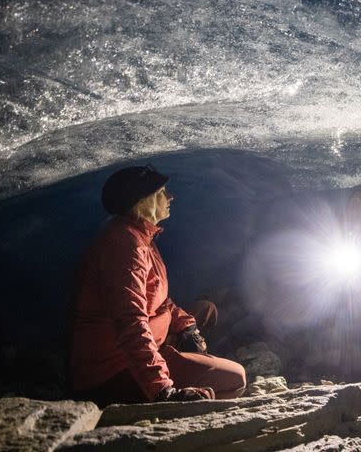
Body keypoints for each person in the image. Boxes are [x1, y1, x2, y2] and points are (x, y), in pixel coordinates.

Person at [69, 164, 246, 406]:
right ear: (141, 202)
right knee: (235, 378)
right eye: (162, 192)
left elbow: (160, 299)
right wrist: (162, 390)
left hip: (150, 339)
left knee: (205, 311)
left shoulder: (140, 235)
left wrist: (187, 327)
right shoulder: (125, 246)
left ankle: (184, 354)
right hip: (115, 368)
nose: (170, 196)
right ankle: (162, 389)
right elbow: (130, 322)